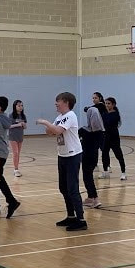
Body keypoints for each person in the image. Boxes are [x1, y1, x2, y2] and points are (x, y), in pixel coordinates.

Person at [37, 92, 88, 231]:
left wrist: (45, 122)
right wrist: (50, 127)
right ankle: (71, 216)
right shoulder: (60, 117)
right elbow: (51, 131)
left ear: (66, 102)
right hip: (63, 155)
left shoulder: (70, 116)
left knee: (72, 189)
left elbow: (57, 130)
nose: (55, 104)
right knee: (63, 188)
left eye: (57, 101)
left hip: (73, 155)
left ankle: (81, 220)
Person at [80, 102, 106, 208]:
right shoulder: (101, 132)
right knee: (89, 176)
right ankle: (90, 197)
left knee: (88, 177)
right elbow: (102, 147)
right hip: (94, 157)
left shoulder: (84, 130)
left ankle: (95, 198)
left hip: (86, 156)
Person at [101, 97, 127, 180]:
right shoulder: (104, 114)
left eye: (109, 103)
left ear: (113, 105)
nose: (107, 105)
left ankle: (123, 173)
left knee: (118, 155)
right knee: (104, 154)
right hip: (106, 137)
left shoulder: (115, 114)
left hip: (114, 137)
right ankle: (105, 172)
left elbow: (109, 123)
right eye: (106, 103)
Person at [9, 100, 27, 177]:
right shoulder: (11, 115)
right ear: (15, 106)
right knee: (15, 153)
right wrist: (18, 125)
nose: (20, 107)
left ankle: (17, 168)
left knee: (18, 154)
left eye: (21, 105)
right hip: (13, 136)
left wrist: (23, 125)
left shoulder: (23, 116)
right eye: (19, 105)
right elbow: (9, 126)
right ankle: (16, 169)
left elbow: (25, 127)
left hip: (20, 136)